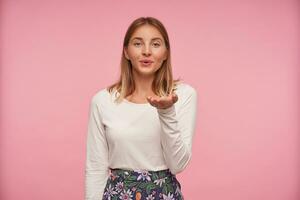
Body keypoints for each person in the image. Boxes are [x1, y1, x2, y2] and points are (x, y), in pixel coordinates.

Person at [85, 16, 197, 200]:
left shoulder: (184, 95)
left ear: (166, 52)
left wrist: (167, 111)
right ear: (126, 51)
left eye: (155, 44)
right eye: (138, 44)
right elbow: (95, 167)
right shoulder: (102, 100)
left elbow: (177, 165)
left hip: (165, 194)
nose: (146, 51)